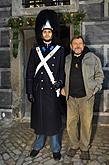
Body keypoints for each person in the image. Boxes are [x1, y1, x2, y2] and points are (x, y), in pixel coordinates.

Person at [26, 9, 65, 160]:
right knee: (39, 118)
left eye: (49, 31)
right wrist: (29, 90)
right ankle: (38, 144)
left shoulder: (60, 50)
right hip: (38, 92)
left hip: (51, 91)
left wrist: (60, 82)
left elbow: (61, 69)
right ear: (41, 33)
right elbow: (30, 71)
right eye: (44, 32)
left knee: (53, 119)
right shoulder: (35, 51)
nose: (47, 34)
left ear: (52, 32)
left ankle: (55, 147)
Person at [61, 35, 104, 160]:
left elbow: (99, 75)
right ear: (71, 46)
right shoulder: (67, 59)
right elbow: (63, 75)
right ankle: (74, 145)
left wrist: (95, 89)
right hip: (71, 98)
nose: (78, 46)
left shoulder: (93, 58)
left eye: (80, 43)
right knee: (70, 124)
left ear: (83, 45)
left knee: (86, 124)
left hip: (86, 98)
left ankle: (84, 148)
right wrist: (63, 88)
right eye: (75, 43)